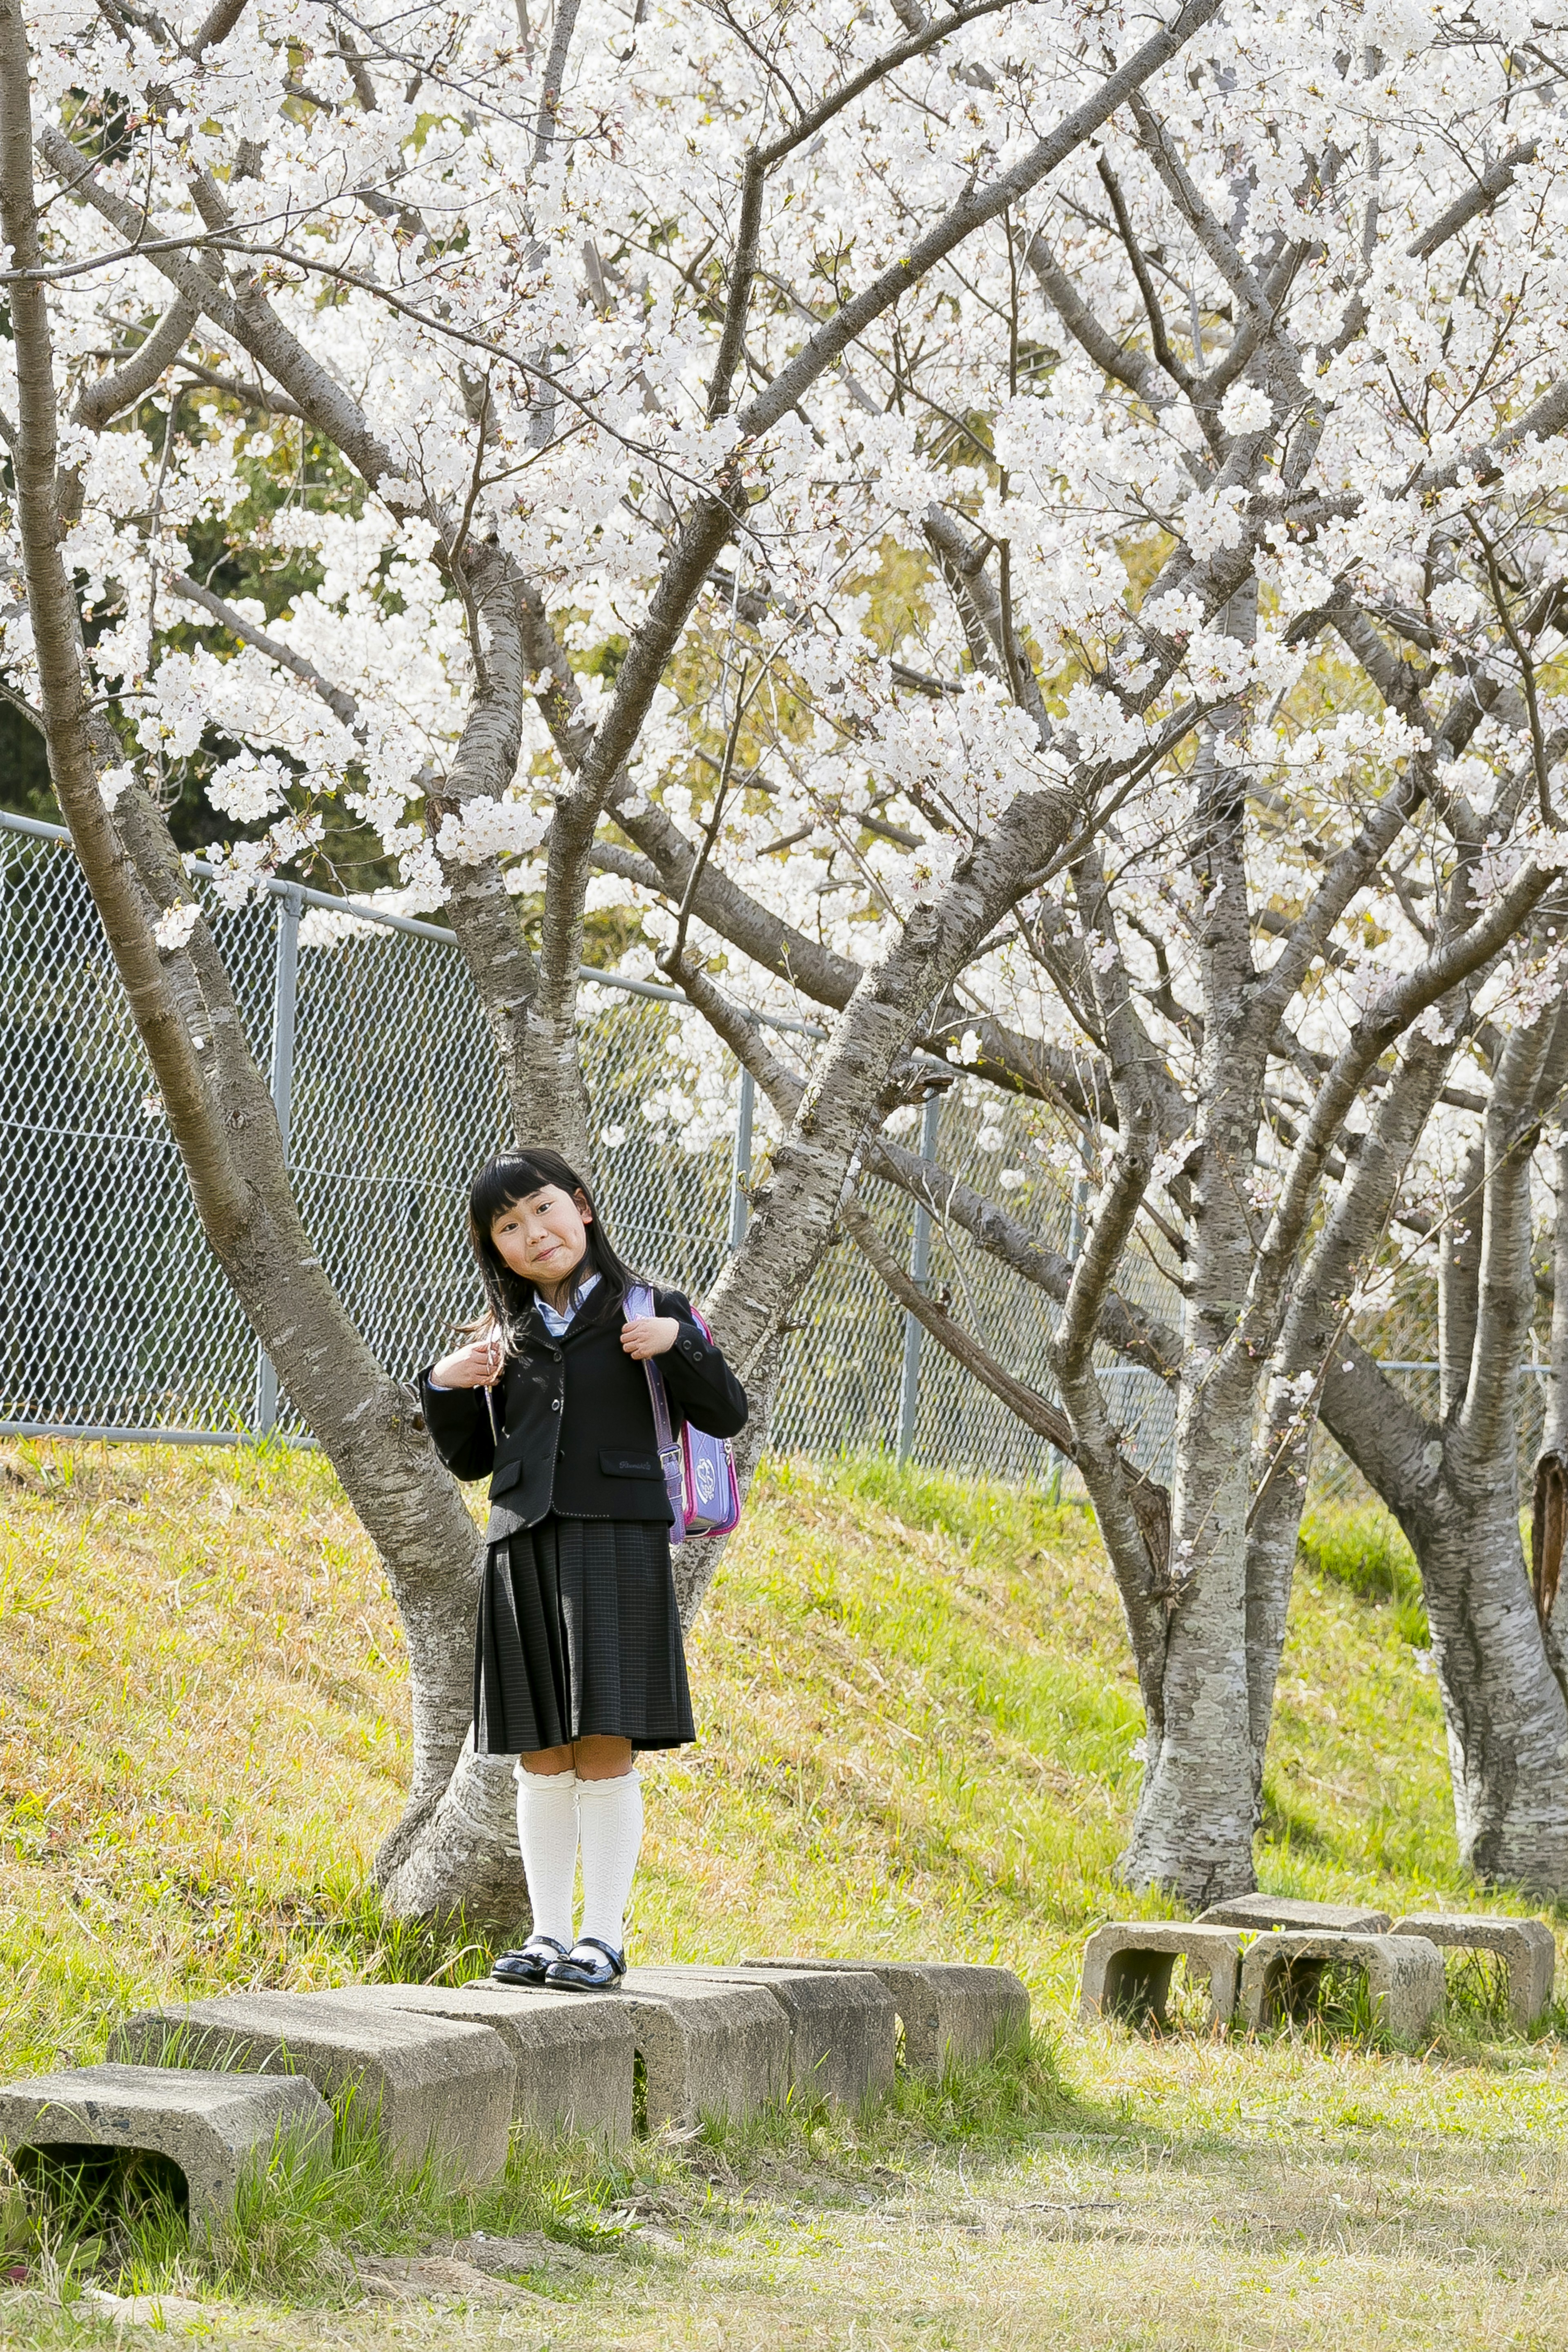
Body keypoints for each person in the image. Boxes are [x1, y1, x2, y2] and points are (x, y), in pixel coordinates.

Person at [420, 1146, 748, 1991]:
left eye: (542, 1210)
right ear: (494, 1250)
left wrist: (678, 1344)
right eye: (508, 1227)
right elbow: (471, 1461)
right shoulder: (502, 1337)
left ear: (583, 1207)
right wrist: (445, 1388)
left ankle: (603, 1937)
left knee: (603, 1749)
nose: (533, 1233)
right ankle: (547, 1936)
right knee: (540, 1752)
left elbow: (725, 1410)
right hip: (522, 1545)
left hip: (617, 1543)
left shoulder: (651, 1309)